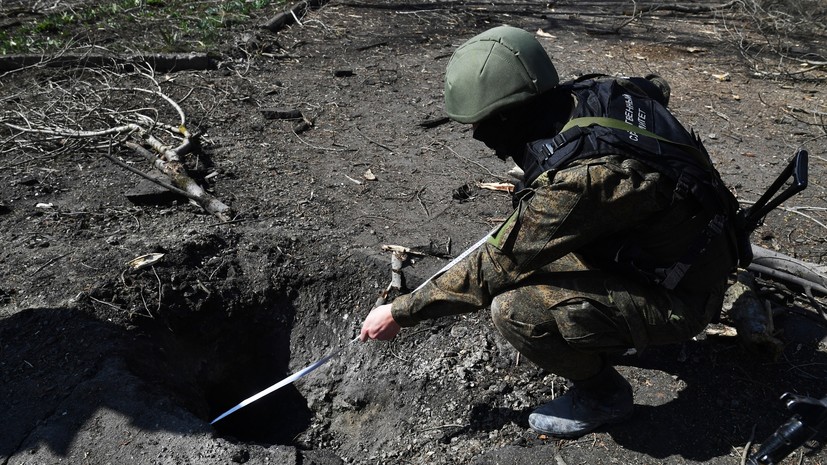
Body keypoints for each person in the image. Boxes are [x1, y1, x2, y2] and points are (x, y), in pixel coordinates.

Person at [359, 25, 745, 438]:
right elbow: (657, 88)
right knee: (534, 264)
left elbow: (496, 265)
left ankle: (603, 396)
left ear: (509, 113)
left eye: (484, 123)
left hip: (683, 295)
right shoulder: (597, 93)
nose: (479, 135)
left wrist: (400, 312)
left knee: (515, 310)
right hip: (692, 249)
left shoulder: (583, 180)